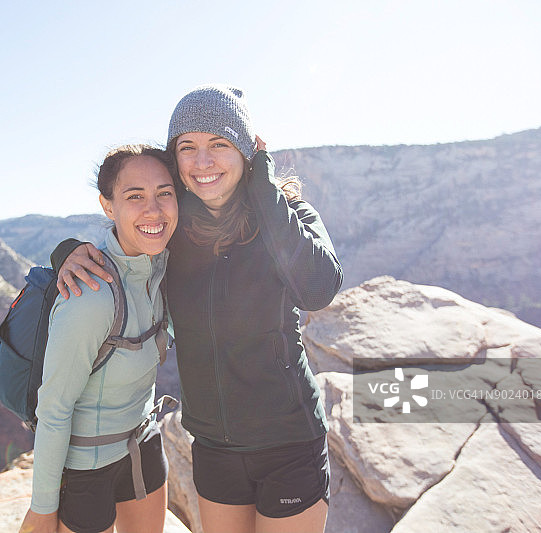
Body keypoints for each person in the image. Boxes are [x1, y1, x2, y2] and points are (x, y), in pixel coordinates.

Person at [52, 84, 343, 533]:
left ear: (247, 150)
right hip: (214, 447)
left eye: (220, 144)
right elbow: (124, 243)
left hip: (289, 442)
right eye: (188, 148)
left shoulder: (289, 214)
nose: (203, 161)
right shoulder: (173, 227)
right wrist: (67, 251)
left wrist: (264, 186)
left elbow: (318, 289)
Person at [18, 145, 178, 533]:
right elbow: (54, 409)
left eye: (165, 193)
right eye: (134, 196)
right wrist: (43, 508)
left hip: (143, 443)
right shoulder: (91, 293)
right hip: (86, 468)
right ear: (108, 206)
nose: (153, 210)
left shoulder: (166, 267)